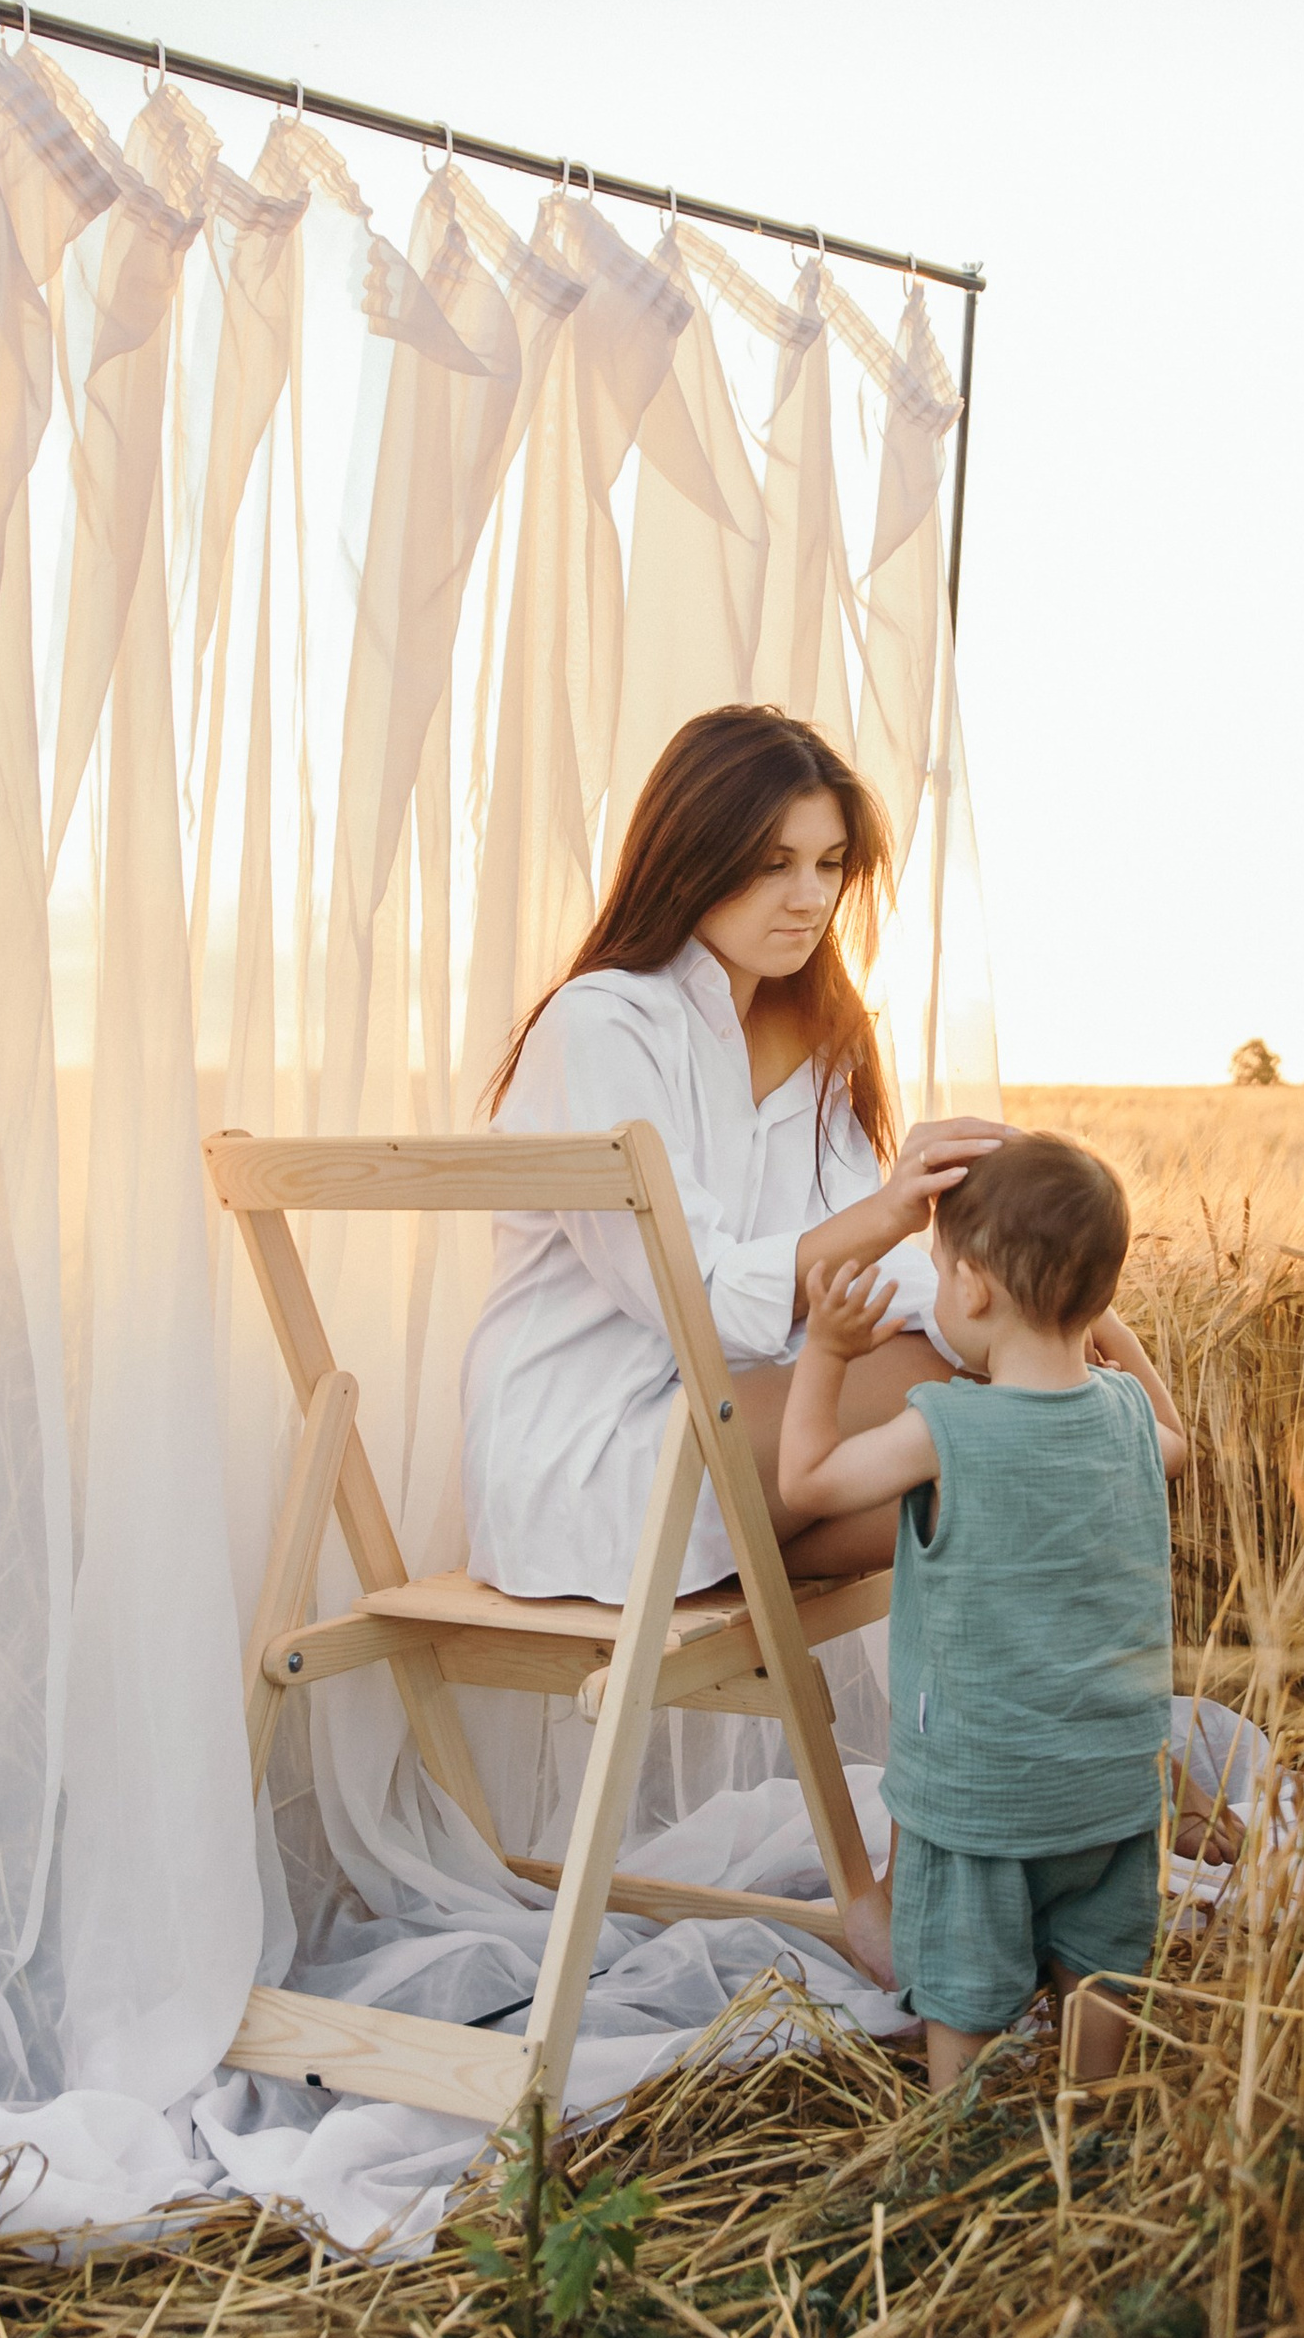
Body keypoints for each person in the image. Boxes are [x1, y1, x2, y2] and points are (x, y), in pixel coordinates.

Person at [460, 705, 1008, 1616]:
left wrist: (1029, 1324)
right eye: (771, 864)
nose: (809, 896)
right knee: (969, 1398)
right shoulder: (605, 1022)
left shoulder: (832, 1041)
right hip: (591, 1455)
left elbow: (859, 1294)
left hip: (747, 1446)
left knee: (995, 1480)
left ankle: (1028, 1760)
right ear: (690, 856)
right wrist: (894, 1215)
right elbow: (697, 1304)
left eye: (830, 864)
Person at [778, 1130, 1189, 2087]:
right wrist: (1111, 1331)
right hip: (1112, 1791)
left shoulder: (943, 1425)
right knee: (1102, 1968)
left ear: (971, 1291)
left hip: (981, 1801)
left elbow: (804, 1481)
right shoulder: (1129, 1419)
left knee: (961, 1988)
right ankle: (1087, 2125)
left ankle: (954, 2148)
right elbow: (1182, 1438)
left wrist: (828, 1353)